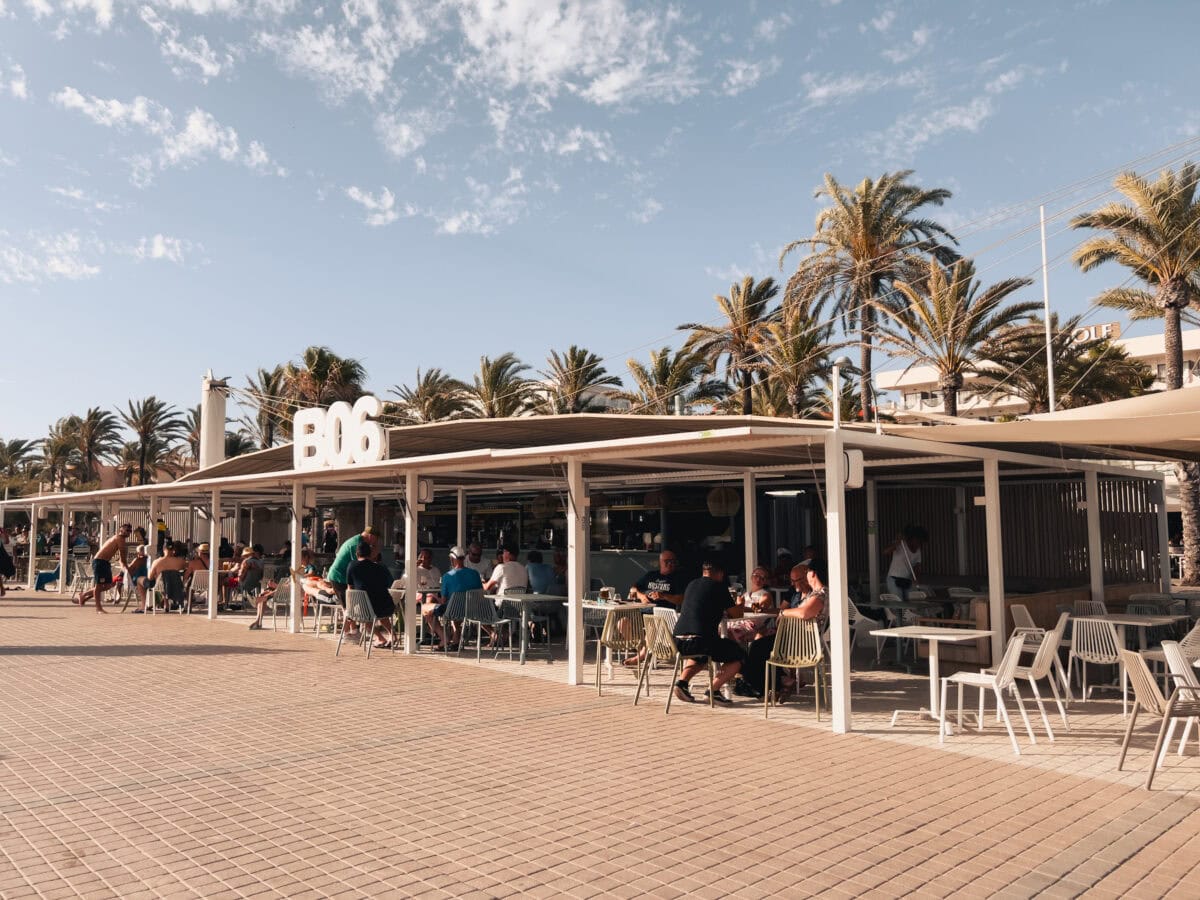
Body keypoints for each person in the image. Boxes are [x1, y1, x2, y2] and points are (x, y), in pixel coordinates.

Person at [737, 560, 829, 700]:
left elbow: (804, 613)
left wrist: (783, 613)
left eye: (796, 580)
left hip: (802, 643)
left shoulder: (820, 594)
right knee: (760, 646)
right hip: (793, 638)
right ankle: (777, 684)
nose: (792, 584)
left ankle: (764, 687)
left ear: (811, 574)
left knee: (758, 647)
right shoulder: (816, 594)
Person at [671, 559, 746, 705]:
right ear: (720, 574)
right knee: (738, 655)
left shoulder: (691, 585)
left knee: (702, 654)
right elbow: (736, 614)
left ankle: (682, 683)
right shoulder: (718, 587)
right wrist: (740, 604)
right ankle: (713, 690)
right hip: (699, 641)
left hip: (678, 641)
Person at [427, 546, 484, 651]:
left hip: (453, 611)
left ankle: (444, 638)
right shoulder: (475, 574)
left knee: (427, 611)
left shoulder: (447, 576)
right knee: (456, 607)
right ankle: (456, 639)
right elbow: (480, 593)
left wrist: (434, 596)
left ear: (452, 559)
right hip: (472, 611)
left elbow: (443, 601)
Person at [347, 540, 395, 649]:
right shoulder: (380, 567)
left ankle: (380, 638)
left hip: (366, 610)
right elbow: (388, 584)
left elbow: (350, 589)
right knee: (379, 612)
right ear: (371, 554)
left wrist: (349, 608)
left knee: (364, 614)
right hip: (387, 606)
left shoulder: (352, 566)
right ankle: (392, 635)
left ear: (357, 554)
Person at [76, 522, 132, 612]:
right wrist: (127, 569)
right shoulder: (119, 539)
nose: (128, 532)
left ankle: (83, 595)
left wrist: (125, 567)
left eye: (129, 531)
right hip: (99, 561)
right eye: (126, 530)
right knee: (99, 586)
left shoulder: (120, 540)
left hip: (105, 562)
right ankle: (99, 609)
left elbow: (122, 560)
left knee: (108, 585)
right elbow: (123, 559)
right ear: (120, 530)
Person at [327, 526, 379, 606]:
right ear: (371, 536)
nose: (376, 542)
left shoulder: (359, 541)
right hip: (339, 578)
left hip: (342, 577)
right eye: (376, 539)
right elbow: (360, 566)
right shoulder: (356, 545)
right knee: (350, 608)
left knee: (357, 605)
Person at [136, 542, 189, 612]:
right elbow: (187, 569)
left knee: (139, 579)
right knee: (168, 580)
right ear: (173, 550)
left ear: (164, 549)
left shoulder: (157, 561)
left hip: (160, 585)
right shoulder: (181, 561)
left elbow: (150, 577)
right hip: (175, 585)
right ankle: (165, 603)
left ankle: (143, 606)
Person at [885, 525, 926, 600]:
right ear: (913, 538)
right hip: (894, 579)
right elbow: (886, 552)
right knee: (899, 604)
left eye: (921, 542)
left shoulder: (918, 551)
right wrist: (897, 542)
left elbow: (917, 567)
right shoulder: (901, 544)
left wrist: (916, 579)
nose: (919, 544)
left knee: (910, 603)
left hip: (907, 580)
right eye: (918, 541)